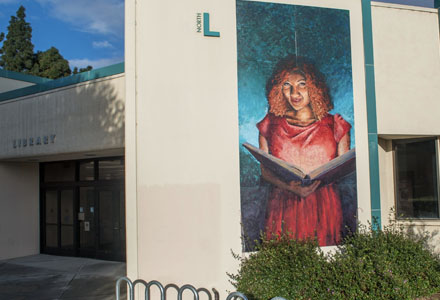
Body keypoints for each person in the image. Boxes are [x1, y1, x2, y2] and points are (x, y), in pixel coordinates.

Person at [257, 55, 351, 246]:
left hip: (324, 206)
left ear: (314, 88)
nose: (294, 92)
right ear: (278, 90)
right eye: (286, 85)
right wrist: (291, 187)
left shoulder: (336, 125)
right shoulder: (270, 124)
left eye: (302, 84)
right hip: (283, 205)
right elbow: (265, 171)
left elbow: (343, 168)